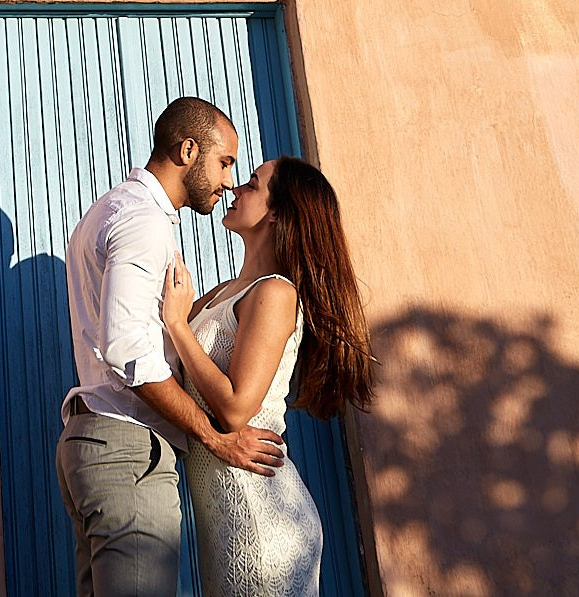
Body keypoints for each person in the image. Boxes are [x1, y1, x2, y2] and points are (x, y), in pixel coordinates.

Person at [56, 97, 288, 597]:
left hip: (102, 445)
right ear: (188, 150)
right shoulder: (143, 222)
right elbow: (126, 350)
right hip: (126, 450)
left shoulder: (114, 209)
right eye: (225, 162)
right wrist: (215, 437)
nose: (230, 180)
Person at [160, 156, 376, 597]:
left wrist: (178, 326)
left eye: (252, 185)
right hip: (225, 521)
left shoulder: (275, 292)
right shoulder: (221, 294)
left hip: (263, 521)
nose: (236, 189)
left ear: (276, 211)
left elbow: (237, 408)